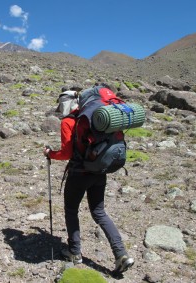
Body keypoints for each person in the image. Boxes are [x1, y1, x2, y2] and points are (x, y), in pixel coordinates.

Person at [43, 87, 134, 274]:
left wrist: (49, 153)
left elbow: (66, 153)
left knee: (71, 210)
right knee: (99, 212)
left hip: (79, 173)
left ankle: (74, 252)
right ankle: (121, 254)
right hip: (99, 170)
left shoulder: (69, 122)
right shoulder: (97, 118)